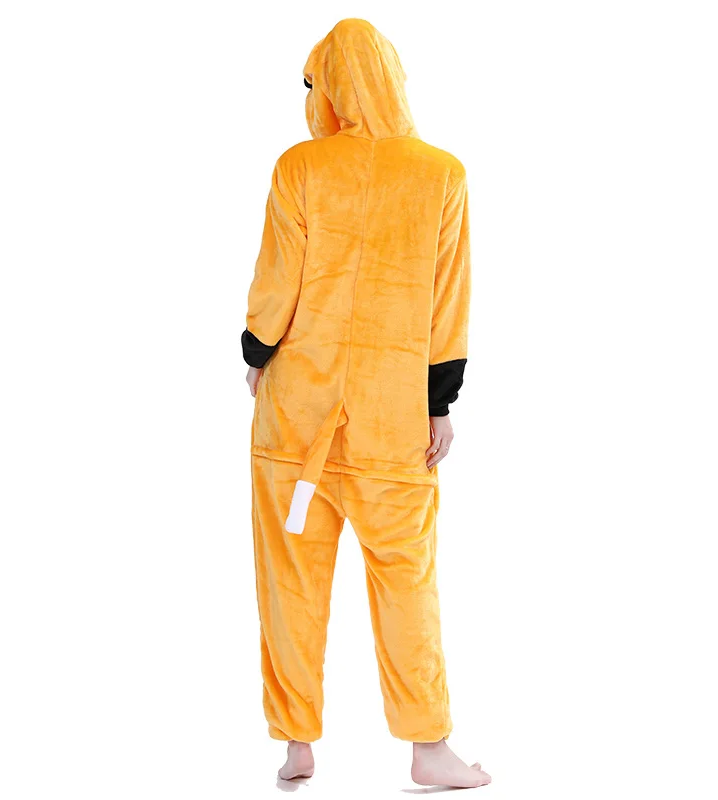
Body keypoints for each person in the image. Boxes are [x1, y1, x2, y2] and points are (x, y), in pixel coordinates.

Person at [241, 18, 488, 789]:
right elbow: (448, 301)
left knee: (289, 578)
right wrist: (439, 401)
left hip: (296, 417)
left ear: (329, 86)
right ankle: (429, 748)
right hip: (393, 424)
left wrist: (256, 353)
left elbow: (276, 278)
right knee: (407, 580)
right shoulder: (441, 174)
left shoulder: (300, 167)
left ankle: (296, 744)